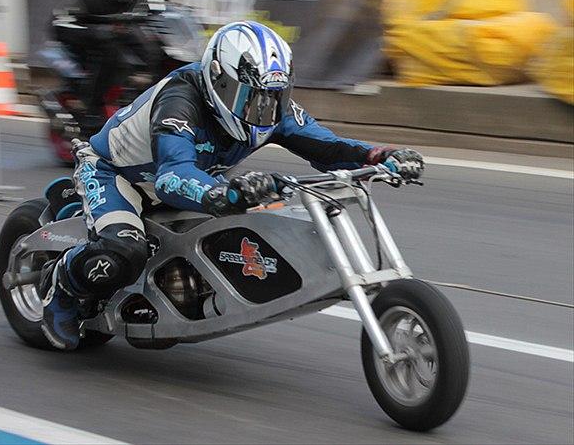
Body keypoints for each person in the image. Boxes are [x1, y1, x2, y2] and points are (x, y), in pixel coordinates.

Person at [39, 21, 424, 350]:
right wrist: (228, 193)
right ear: (219, 81)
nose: (264, 110)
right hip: (122, 175)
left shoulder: (271, 108)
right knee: (125, 248)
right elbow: (173, 177)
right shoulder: (180, 100)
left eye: (273, 97)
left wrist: (379, 155)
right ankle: (64, 289)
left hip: (193, 174)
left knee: (239, 228)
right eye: (252, 97)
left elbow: (328, 146)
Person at [43, 0, 163, 114]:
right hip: (76, 28)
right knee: (111, 46)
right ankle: (90, 107)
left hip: (122, 30)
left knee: (155, 44)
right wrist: (101, 28)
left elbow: (158, 9)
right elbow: (65, 20)